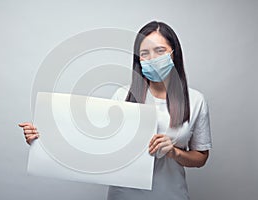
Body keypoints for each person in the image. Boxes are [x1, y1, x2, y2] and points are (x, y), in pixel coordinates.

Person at [19, 21, 212, 200]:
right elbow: (95, 143)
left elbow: (201, 157)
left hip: (171, 195)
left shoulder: (195, 100)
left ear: (173, 53)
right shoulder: (123, 97)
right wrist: (41, 140)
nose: (152, 58)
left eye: (159, 50)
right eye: (145, 53)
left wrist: (175, 153)